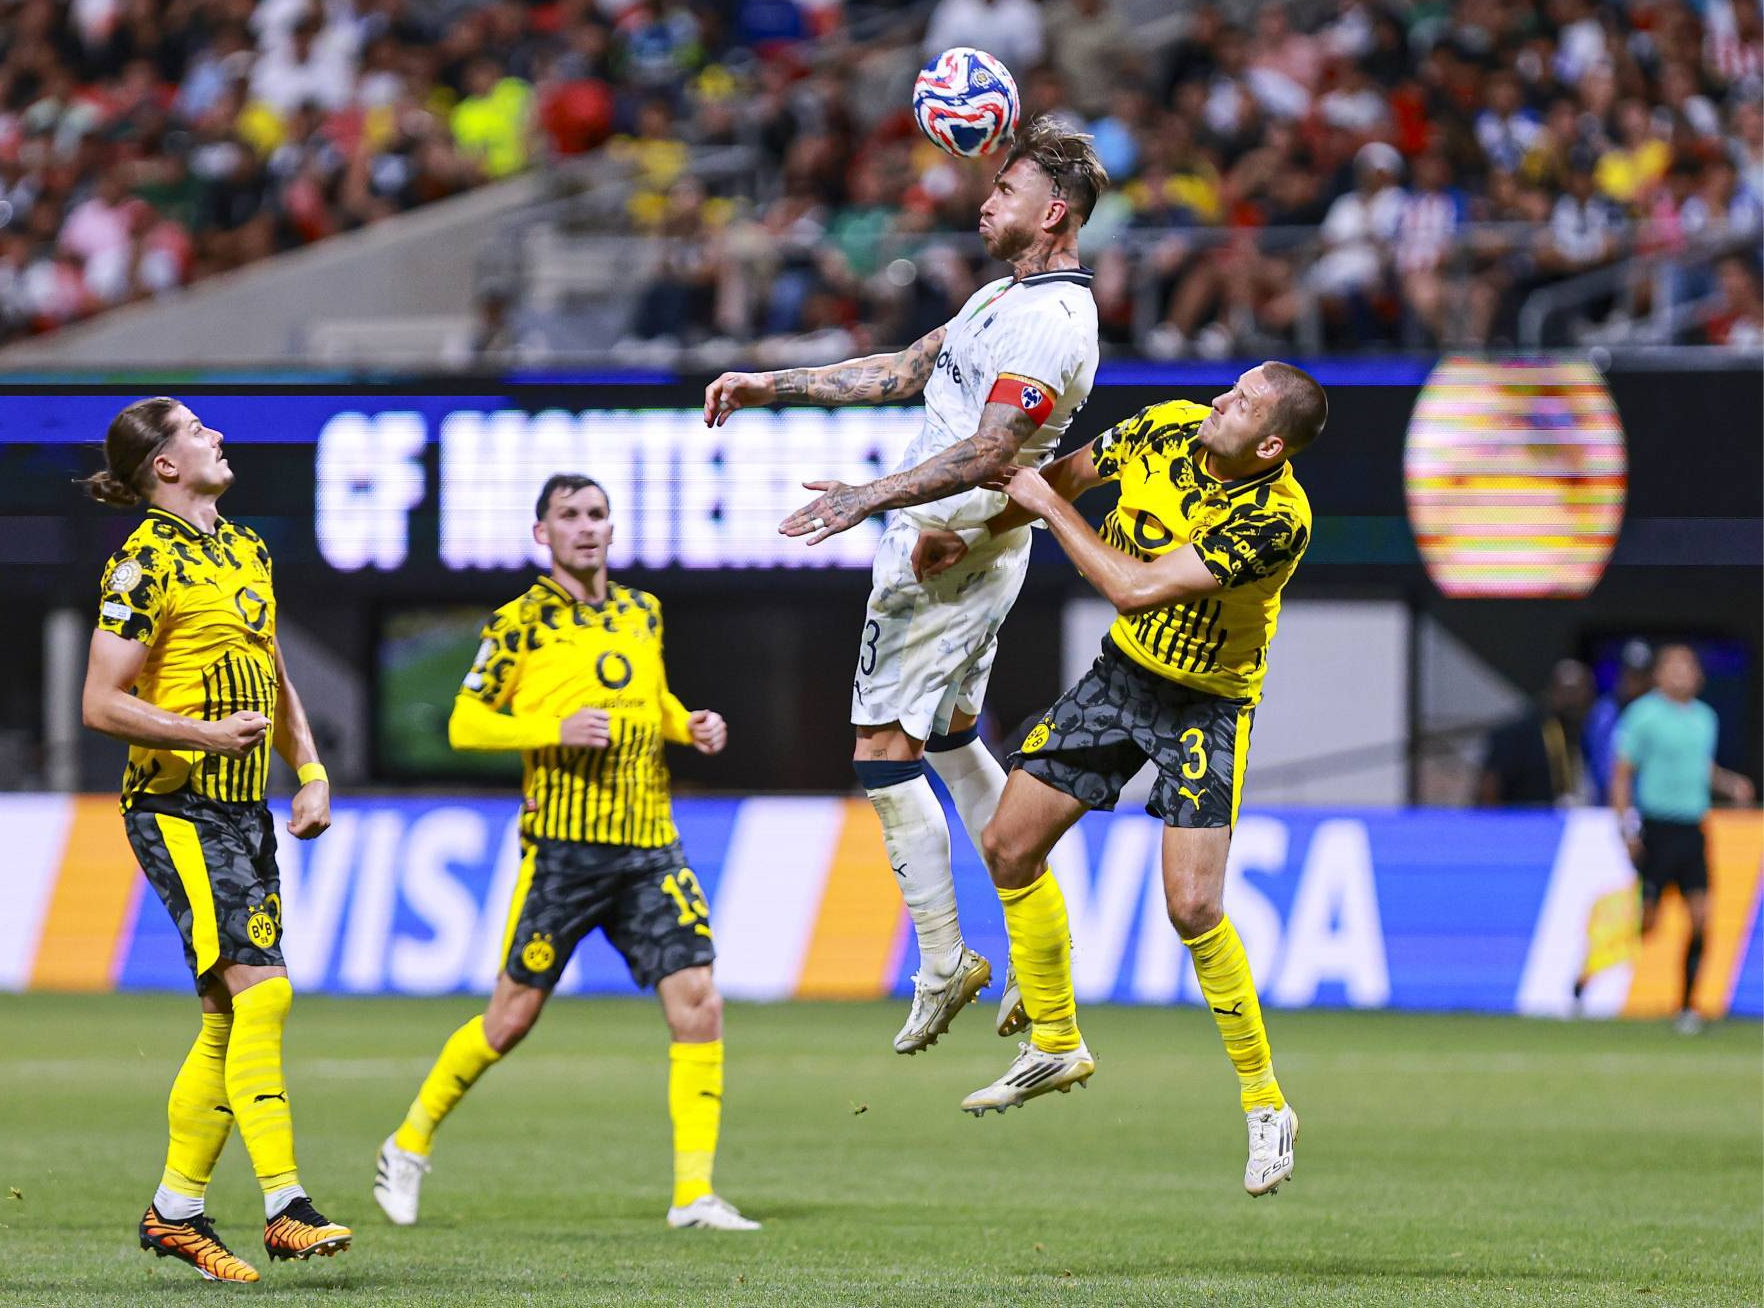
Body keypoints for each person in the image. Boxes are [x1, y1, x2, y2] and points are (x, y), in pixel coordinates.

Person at [701, 118, 1106, 1055]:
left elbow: (996, 450)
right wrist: (769, 385)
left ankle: (942, 962)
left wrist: (868, 498)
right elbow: (900, 370)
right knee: (956, 741)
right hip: (958, 542)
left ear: (1054, 213)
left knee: (882, 750)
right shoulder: (1004, 297)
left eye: (1004, 191)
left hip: (948, 546)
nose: (983, 199)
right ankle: (1041, 965)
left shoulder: (1050, 324)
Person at [913, 361, 1328, 1197]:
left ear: (1271, 442)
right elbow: (1064, 476)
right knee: (1006, 844)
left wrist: (1045, 508)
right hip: (1121, 683)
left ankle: (1264, 1103)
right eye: (1229, 387)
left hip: (1206, 704)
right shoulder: (1168, 426)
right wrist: (977, 532)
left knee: (1192, 907)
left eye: (1241, 402)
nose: (1220, 401)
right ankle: (1057, 1042)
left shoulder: (1275, 520)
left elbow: (1134, 586)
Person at [372, 474, 757, 1233]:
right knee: (510, 1020)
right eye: (569, 516)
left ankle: (693, 1194)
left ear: (612, 528)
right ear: (542, 533)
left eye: (597, 514)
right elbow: (464, 724)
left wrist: (690, 726)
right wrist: (551, 729)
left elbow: (651, 702)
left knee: (699, 1002)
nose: (586, 527)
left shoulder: (644, 612)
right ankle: (408, 1143)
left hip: (651, 845)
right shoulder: (519, 623)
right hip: (564, 852)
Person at [80, 396, 350, 1284]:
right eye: (197, 430)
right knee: (264, 993)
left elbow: (272, 675)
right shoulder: (140, 565)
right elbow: (99, 703)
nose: (218, 436)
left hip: (246, 810)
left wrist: (306, 770)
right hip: (176, 808)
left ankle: (176, 1213)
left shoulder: (245, 549)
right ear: (163, 464)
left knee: (229, 1015)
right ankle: (286, 1206)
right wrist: (200, 737)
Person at [1610, 644, 1756, 1033]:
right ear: (1658, 675)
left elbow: (1700, 765)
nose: (1682, 674)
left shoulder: (1705, 719)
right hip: (1656, 827)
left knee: (1701, 915)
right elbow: (1622, 772)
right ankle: (1586, 977)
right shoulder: (1643, 715)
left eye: (1688, 666)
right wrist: (1624, 826)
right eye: (1673, 666)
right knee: (1649, 921)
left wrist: (1728, 783)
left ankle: (1688, 1005)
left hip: (1692, 828)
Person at [1478, 660, 1594, 807]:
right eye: (1569, 692)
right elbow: (1490, 787)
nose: (1574, 700)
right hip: (1523, 821)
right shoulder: (1519, 735)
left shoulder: (1588, 734)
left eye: (1582, 692)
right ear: (1553, 692)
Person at [1583, 639, 1653, 801]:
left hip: (1650, 806)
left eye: (1640, 675)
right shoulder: (1604, 711)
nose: (1634, 680)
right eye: (1630, 673)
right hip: (1605, 804)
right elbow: (1597, 765)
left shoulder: (1658, 712)